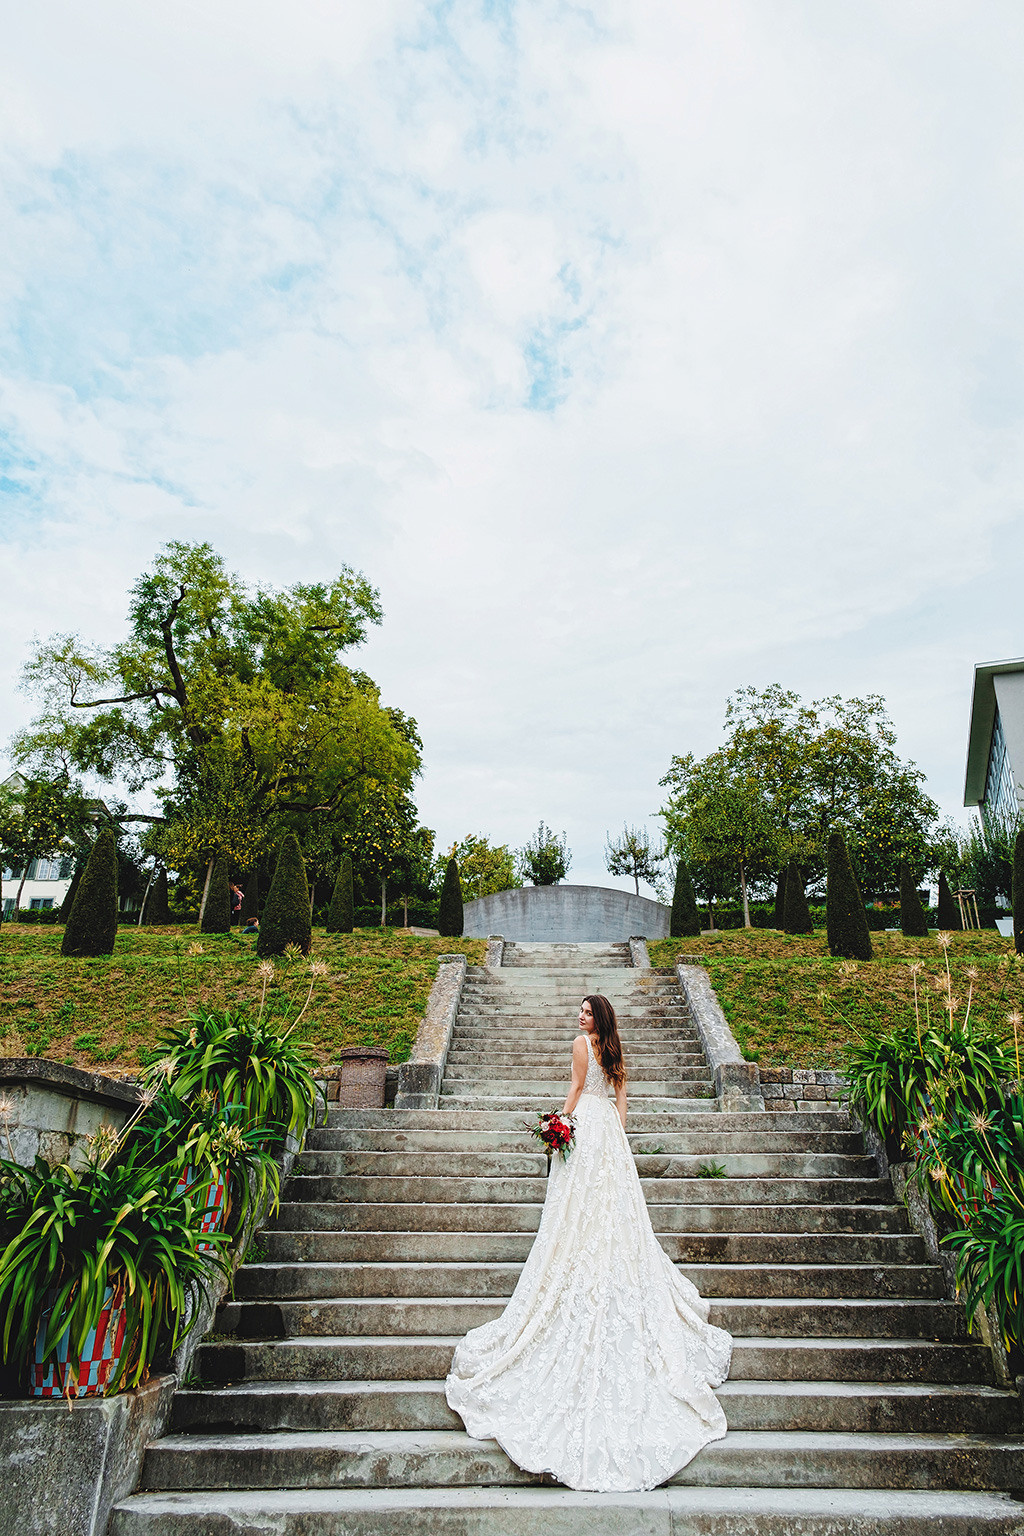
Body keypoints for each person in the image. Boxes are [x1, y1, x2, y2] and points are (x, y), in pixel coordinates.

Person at [445, 993, 732, 1492]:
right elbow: (621, 1099)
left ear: (596, 1017)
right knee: (613, 1210)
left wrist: (556, 1127)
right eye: (580, 1012)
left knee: (577, 1210)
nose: (579, 1017)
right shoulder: (616, 1050)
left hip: (587, 1128)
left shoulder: (582, 1045)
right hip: (610, 1136)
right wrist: (617, 1136)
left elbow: (576, 1090)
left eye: (585, 1011)